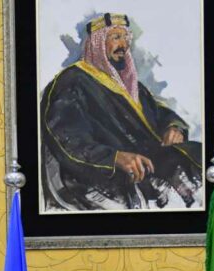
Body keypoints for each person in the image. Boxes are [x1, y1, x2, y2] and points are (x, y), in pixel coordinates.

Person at [40, 12, 204, 211]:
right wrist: (114, 158)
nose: (124, 45)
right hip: (99, 175)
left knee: (197, 156)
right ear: (97, 43)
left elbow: (157, 112)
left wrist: (174, 127)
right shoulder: (73, 81)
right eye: (116, 37)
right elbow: (68, 139)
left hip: (147, 162)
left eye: (126, 38)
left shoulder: (129, 84)